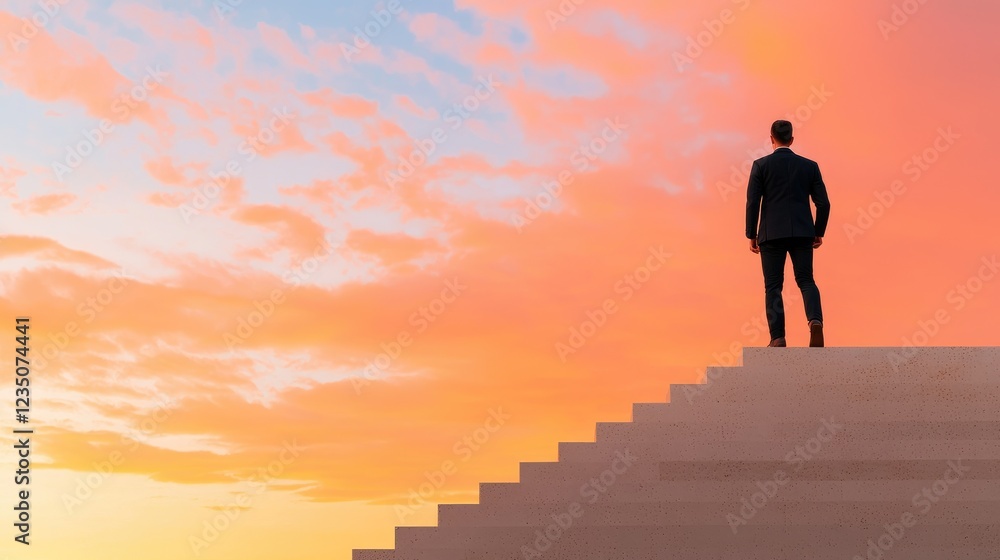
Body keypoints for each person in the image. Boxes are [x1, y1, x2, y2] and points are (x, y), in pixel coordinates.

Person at [746, 120, 831, 347]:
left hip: (771, 233)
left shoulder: (760, 165)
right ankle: (815, 321)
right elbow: (824, 204)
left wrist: (751, 234)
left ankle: (778, 338)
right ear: (792, 140)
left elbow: (753, 202)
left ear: (771, 139)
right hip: (803, 232)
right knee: (806, 280)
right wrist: (818, 231)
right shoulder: (810, 166)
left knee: (773, 286)